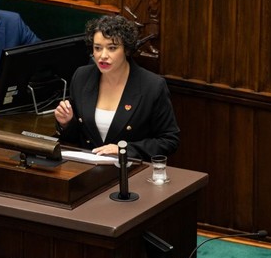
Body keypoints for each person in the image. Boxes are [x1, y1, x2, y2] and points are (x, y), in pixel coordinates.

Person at [54, 15, 180, 161]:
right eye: (97, 48)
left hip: (129, 168)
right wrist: (66, 123)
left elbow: (169, 141)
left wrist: (124, 150)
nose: (103, 55)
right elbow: (78, 137)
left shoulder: (152, 86)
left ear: (126, 50)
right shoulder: (82, 77)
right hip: (88, 167)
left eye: (112, 48)